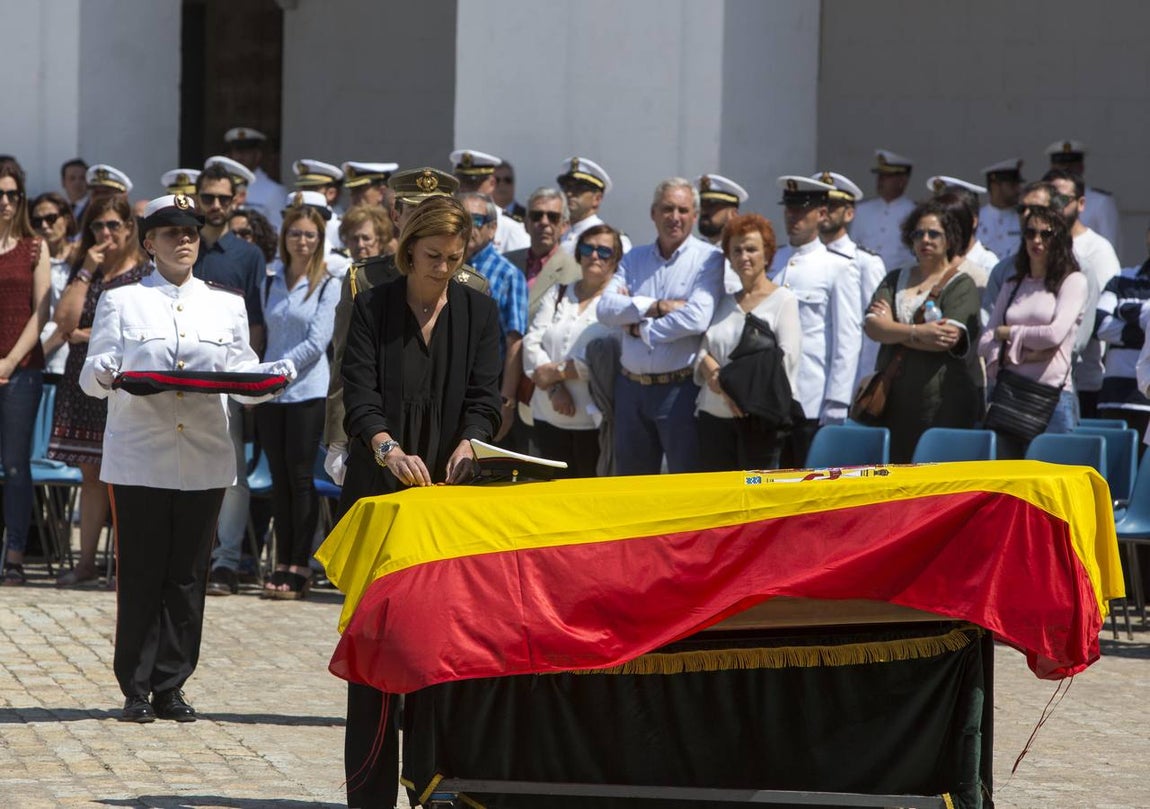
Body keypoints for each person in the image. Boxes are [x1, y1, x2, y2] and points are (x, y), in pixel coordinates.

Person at [79, 193, 293, 723]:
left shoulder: (226, 302)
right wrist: (106, 369)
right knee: (141, 573)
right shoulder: (121, 300)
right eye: (170, 231)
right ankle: (135, 685)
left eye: (191, 230)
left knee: (187, 575)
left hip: (202, 454)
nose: (183, 239)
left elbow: (240, 374)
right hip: (141, 456)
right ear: (148, 242)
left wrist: (269, 381)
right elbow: (91, 378)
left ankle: (172, 684)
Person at [338, 195, 501, 808]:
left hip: (449, 503)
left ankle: (437, 788)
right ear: (407, 252)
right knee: (377, 659)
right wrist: (387, 449)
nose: (442, 271)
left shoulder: (479, 313)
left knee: (442, 652)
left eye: (455, 260)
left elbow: (486, 399)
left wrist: (470, 443)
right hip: (379, 499)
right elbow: (358, 395)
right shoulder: (370, 306)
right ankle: (370, 797)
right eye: (432, 257)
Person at [321, 168, 488, 486]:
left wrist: (471, 441)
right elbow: (347, 367)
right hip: (377, 434)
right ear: (397, 215)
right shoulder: (366, 281)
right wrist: (339, 437)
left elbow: (478, 385)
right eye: (415, 212)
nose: (425, 223)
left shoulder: (473, 288)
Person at [48, 195, 150, 586]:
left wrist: (88, 335)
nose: (105, 233)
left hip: (122, 384)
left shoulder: (144, 275)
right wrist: (88, 266)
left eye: (112, 225)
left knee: (125, 477)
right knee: (91, 477)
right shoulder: (86, 269)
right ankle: (87, 563)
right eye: (97, 226)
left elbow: (134, 333)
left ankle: (126, 568)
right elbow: (63, 323)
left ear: (128, 229)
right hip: (84, 382)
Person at [597, 177, 724, 474]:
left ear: (694, 215)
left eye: (683, 210)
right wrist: (656, 306)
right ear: (653, 213)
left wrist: (639, 328)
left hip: (679, 391)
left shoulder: (709, 259)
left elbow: (696, 318)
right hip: (630, 390)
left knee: (683, 485)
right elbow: (604, 309)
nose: (674, 218)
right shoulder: (634, 258)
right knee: (632, 488)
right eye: (667, 209)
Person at [187, 163, 271, 597]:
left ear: (235, 200)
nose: (216, 205)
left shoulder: (248, 255)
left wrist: (245, 381)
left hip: (227, 380)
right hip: (180, 378)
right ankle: (191, 556)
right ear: (198, 198)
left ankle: (226, 561)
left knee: (233, 474)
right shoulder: (183, 247)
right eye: (208, 197)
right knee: (183, 467)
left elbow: (256, 324)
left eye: (223, 198)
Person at [256, 199, 338, 599]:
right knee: (279, 480)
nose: (301, 241)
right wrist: (261, 373)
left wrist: (279, 368)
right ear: (284, 236)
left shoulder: (327, 282)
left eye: (309, 234)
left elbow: (318, 341)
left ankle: (299, 564)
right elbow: (264, 332)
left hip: (307, 390)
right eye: (295, 233)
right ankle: (280, 560)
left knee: (302, 479)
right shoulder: (270, 279)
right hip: (271, 395)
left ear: (319, 239)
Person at [864, 200, 983, 462]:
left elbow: (945, 338)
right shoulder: (895, 278)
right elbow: (873, 326)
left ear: (950, 239)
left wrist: (892, 329)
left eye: (933, 234)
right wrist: (919, 332)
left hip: (940, 404)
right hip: (892, 401)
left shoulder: (961, 284)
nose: (925, 240)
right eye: (918, 234)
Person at [980, 208, 1088, 459]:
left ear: (1059, 238)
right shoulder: (1012, 284)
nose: (1036, 240)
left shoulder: (1072, 281)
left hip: (1051, 397)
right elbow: (985, 341)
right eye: (1030, 233)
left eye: (1045, 234)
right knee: (1008, 484)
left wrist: (1008, 333)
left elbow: (1053, 335)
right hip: (1009, 395)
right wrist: (1018, 353)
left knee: (1050, 486)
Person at [694, 213, 799, 471]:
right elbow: (702, 350)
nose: (744, 257)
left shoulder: (783, 300)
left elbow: (786, 361)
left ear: (767, 253)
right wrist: (718, 378)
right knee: (718, 500)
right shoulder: (724, 300)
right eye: (737, 250)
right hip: (713, 418)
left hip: (757, 422)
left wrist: (735, 390)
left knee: (754, 499)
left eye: (751, 249)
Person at [767, 175, 860, 465]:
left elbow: (847, 337)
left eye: (801, 210)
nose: (792, 217)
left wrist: (837, 399)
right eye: (789, 209)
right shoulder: (774, 261)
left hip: (811, 396)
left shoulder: (837, 267)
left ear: (821, 214)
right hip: (770, 394)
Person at [523, 224, 618, 477]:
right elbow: (532, 342)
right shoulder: (559, 292)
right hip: (547, 414)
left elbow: (608, 357)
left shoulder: (617, 302)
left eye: (604, 251)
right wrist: (555, 388)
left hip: (592, 424)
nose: (594, 256)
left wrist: (556, 373)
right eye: (588, 248)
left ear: (616, 258)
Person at [0, 163, 52, 586]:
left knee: (16, 465)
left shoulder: (35, 247)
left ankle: (15, 554)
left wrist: (9, 361)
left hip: (21, 372)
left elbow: (42, 312)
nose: (4, 201)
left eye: (11, 194)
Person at [1045, 168, 1121, 420]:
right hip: (1037, 373)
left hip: (1082, 378)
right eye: (1049, 198)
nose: (1054, 206)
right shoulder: (1037, 243)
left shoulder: (1098, 249)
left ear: (1080, 203)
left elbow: (1094, 317)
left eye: (1062, 199)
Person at [459, 193, 528, 445]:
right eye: (460, 218)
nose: (467, 226)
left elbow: (515, 340)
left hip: (488, 386)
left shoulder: (509, 274)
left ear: (492, 228)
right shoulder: (443, 268)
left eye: (475, 219)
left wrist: (506, 401)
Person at [811, 171, 887, 387]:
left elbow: (873, 332)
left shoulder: (865, 262)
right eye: (820, 205)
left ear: (849, 214)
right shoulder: (803, 258)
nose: (825, 212)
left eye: (833, 206)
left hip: (847, 379)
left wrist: (863, 382)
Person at [1096, 240, 1150, 443]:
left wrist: (1124, 308)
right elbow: (1100, 325)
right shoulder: (1121, 278)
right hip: (1115, 398)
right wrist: (1145, 327)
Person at [981, 181, 1057, 325]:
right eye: (1022, 209)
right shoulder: (1003, 271)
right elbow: (989, 327)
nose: (1026, 214)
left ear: (1056, 213)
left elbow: (1078, 340)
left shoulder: (1078, 270)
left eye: (1036, 209)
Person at [30, 192, 80, 378]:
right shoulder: (28, 260)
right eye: (37, 221)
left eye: (50, 218)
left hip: (67, 361)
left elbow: (69, 319)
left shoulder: (81, 259)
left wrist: (42, 353)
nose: (44, 226)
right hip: (30, 360)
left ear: (66, 219)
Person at [1046, 139, 1120, 254]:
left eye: (1072, 165)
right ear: (1052, 168)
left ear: (1081, 167)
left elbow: (1111, 244)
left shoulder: (1101, 201)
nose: (1066, 170)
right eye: (1061, 165)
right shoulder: (1044, 199)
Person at [449, 149, 529, 253]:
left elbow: (520, 263)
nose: (465, 189)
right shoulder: (447, 219)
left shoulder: (510, 227)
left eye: (473, 183)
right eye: (461, 182)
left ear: (492, 184)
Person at [850, 149, 916, 272]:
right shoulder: (862, 210)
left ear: (902, 180)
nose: (880, 180)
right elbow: (853, 248)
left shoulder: (914, 213)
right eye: (880, 176)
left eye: (887, 176)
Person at [556, 156, 632, 255]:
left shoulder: (614, 240)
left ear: (597, 199)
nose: (569, 194)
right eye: (566, 188)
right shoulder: (557, 237)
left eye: (578, 189)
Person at [223, 127, 284, 228]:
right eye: (237, 151)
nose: (240, 156)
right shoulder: (222, 186)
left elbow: (278, 231)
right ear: (229, 155)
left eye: (246, 151)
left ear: (257, 155)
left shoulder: (275, 191)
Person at [293, 158, 345, 250]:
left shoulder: (340, 226)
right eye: (303, 188)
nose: (305, 194)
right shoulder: (291, 220)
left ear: (331, 193)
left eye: (312, 189)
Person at [978, 158, 1024, 259]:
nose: (1019, 190)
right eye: (1012, 185)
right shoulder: (978, 219)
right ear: (995, 185)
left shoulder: (1023, 217)